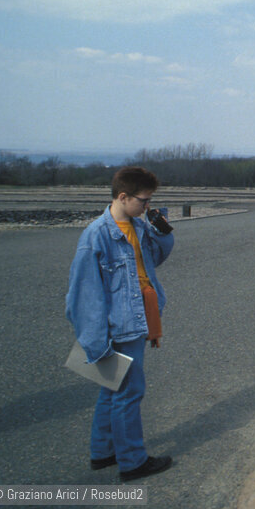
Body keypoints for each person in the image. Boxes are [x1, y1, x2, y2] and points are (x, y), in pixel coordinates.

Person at [65, 166, 174, 482]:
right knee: (129, 391)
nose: (147, 207)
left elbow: (156, 259)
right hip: (119, 325)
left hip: (138, 317)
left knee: (112, 388)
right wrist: (95, 343)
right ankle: (132, 461)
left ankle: (103, 453)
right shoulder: (96, 235)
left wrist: (162, 230)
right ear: (123, 196)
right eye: (144, 201)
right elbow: (83, 297)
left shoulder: (138, 227)